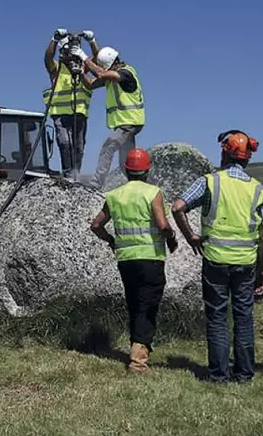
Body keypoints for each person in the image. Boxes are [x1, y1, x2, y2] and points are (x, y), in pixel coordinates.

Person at [172, 130, 263, 384]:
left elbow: (177, 206)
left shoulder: (209, 182)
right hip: (246, 262)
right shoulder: (258, 190)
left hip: (215, 259)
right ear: (247, 159)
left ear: (224, 153)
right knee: (244, 316)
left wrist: (191, 236)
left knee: (217, 317)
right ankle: (244, 373)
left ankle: (218, 374)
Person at [90, 148, 179, 373]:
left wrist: (111, 240)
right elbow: (162, 224)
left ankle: (137, 348)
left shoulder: (114, 195)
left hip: (126, 259)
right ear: (147, 170)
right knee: (147, 307)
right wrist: (171, 238)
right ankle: (138, 361)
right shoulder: (152, 193)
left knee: (134, 304)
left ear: (127, 170)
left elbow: (96, 225)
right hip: (150, 258)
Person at [80, 43, 145, 190]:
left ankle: (96, 183)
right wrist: (80, 73)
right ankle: (135, 183)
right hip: (125, 123)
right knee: (125, 158)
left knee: (109, 146)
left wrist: (84, 58)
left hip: (130, 122)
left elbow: (101, 73)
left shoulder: (125, 73)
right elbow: (90, 84)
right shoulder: (112, 75)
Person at [43, 28, 95, 181]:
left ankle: (76, 174)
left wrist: (91, 42)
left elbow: (97, 60)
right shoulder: (56, 67)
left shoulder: (81, 67)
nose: (69, 56)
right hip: (60, 113)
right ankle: (68, 173)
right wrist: (54, 39)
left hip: (79, 113)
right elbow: (47, 57)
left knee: (78, 146)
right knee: (64, 143)